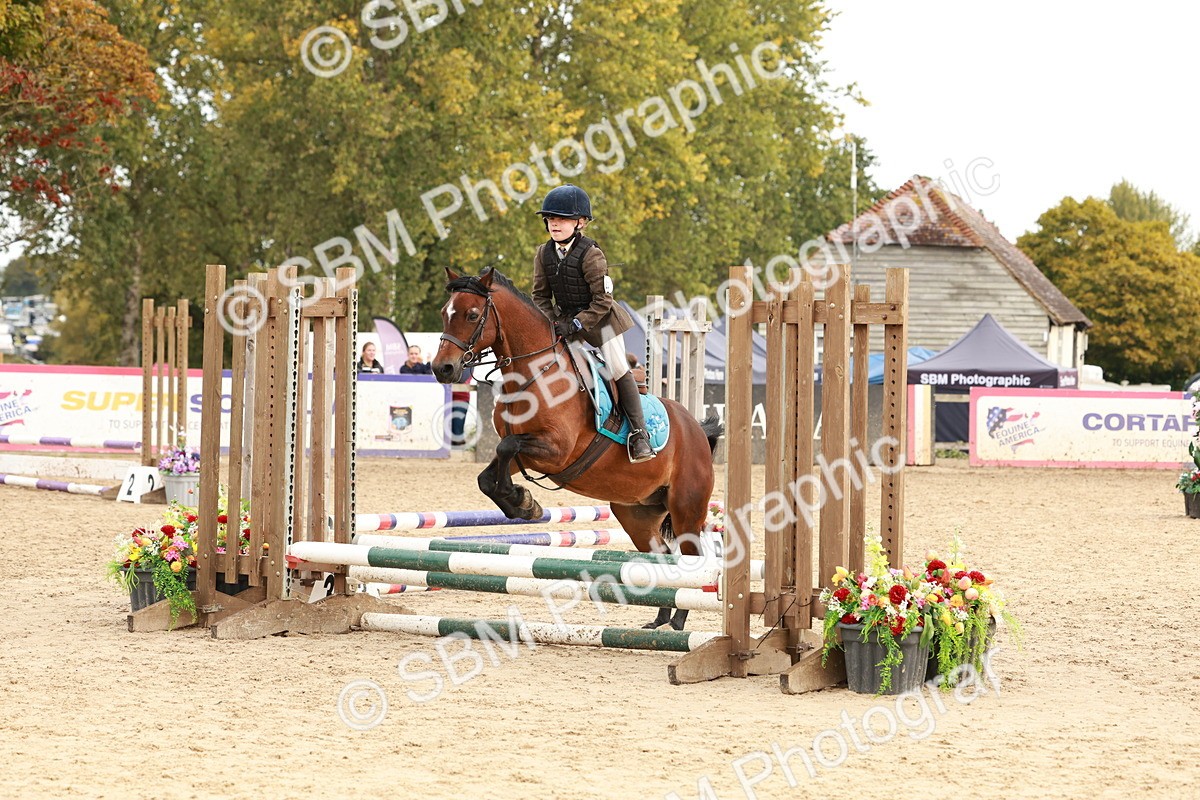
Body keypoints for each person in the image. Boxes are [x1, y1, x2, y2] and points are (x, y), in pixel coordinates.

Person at [531, 184, 653, 462]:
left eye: (561, 219)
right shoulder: (543, 253)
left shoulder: (591, 254)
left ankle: (639, 434)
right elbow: (540, 296)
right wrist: (554, 324)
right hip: (565, 320)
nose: (554, 224)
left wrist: (576, 324)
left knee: (618, 367)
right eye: (550, 219)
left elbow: (603, 300)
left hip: (601, 319)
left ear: (580, 222)